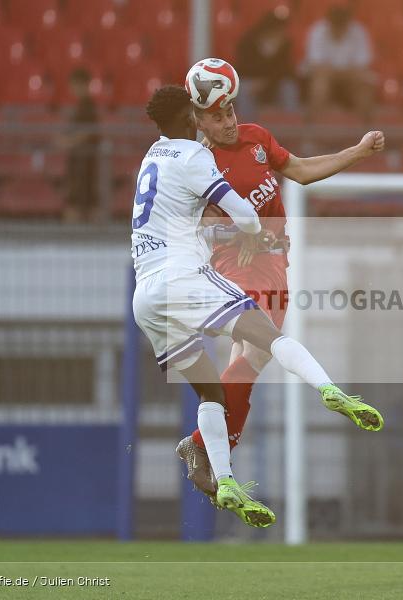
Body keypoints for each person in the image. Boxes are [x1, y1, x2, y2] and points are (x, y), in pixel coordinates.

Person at [132, 83, 383, 528]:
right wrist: (244, 235)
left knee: (242, 368)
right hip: (232, 264)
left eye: (230, 112)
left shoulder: (252, 139)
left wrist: (358, 152)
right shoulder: (200, 160)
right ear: (198, 120)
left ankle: (206, 454)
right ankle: (329, 390)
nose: (227, 121)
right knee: (258, 346)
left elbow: (300, 171)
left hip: (222, 272)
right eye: (216, 115)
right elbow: (203, 227)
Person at [303, 5, 375, 123]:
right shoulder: (318, 31)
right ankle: (311, 132)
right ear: (329, 24)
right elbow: (317, 66)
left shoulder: (358, 31)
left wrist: (335, 72)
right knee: (319, 87)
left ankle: (367, 132)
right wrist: (345, 72)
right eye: (335, 27)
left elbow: (362, 67)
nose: (339, 30)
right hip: (326, 79)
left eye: (342, 27)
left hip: (350, 81)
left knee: (365, 90)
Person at [234, 11, 299, 120]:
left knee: (289, 88)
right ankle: (248, 128)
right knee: (243, 89)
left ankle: (291, 125)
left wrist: (266, 82)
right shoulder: (247, 42)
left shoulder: (285, 45)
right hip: (251, 81)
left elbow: (286, 71)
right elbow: (243, 68)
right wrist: (257, 82)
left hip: (274, 83)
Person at [63, 68, 100, 222]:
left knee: (83, 199)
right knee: (78, 198)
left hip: (85, 159)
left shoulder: (88, 105)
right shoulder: (81, 105)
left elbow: (88, 131)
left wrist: (68, 141)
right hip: (79, 158)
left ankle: (86, 236)